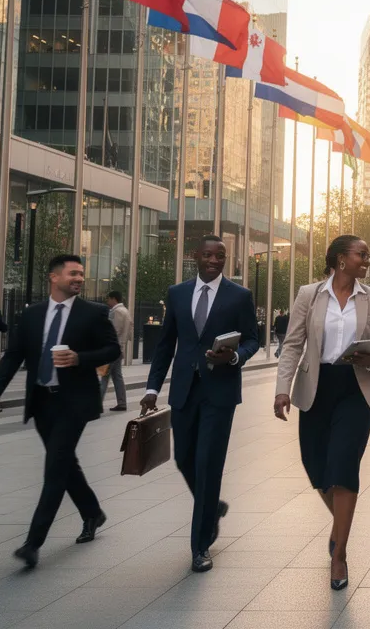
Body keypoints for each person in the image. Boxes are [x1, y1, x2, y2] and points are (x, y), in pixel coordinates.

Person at [0, 254, 121, 568]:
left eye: (81, 274)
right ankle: (93, 513)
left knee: (55, 468)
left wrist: (79, 358)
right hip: (42, 401)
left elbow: (113, 350)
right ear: (53, 277)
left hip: (75, 402)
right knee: (65, 463)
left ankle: (33, 543)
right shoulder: (32, 315)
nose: (79, 278)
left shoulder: (93, 313)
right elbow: (13, 356)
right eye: (73, 273)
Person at [275, 235, 370, 591]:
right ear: (340, 260)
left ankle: (339, 555)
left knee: (342, 468)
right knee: (316, 468)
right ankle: (341, 527)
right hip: (317, 388)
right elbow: (294, 343)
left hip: (356, 388)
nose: (366, 260)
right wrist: (282, 388)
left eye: (367, 255)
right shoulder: (309, 295)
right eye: (362, 254)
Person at [142, 234, 261, 573]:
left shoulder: (239, 296)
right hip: (183, 390)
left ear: (226, 259)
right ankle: (212, 507)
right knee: (183, 459)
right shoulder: (177, 293)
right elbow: (166, 345)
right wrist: (152, 388)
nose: (214, 260)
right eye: (208, 255)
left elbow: (252, 338)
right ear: (196, 256)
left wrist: (235, 356)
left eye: (220, 256)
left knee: (208, 464)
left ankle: (200, 546)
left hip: (219, 393)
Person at [102, 291, 133, 412]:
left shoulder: (117, 311)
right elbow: (130, 332)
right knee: (117, 376)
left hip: (112, 349)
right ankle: (122, 403)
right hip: (119, 349)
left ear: (113, 299)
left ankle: (96, 404)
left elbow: (114, 331)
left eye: (108, 299)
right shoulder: (125, 311)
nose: (107, 301)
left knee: (104, 375)